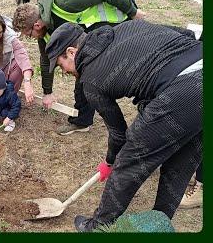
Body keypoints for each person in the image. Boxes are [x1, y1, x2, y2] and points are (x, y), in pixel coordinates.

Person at [43, 20, 202, 231]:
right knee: (180, 163)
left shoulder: (90, 80)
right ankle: (158, 225)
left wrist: (111, 162)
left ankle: (98, 227)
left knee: (130, 161)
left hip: (185, 90)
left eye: (60, 64)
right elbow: (187, 35)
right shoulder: (126, 27)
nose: (63, 71)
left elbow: (119, 134)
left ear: (71, 52)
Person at [13, 0, 144, 135]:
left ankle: (147, 113)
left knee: (129, 72)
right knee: (83, 76)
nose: (30, 38)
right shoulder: (44, 34)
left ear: (37, 25)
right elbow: (46, 61)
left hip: (120, 24)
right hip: (95, 37)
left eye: (28, 34)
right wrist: (47, 92)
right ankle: (82, 121)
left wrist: (133, 12)